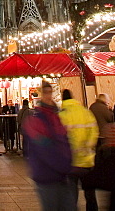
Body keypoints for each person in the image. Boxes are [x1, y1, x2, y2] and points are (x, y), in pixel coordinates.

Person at [22, 82, 75, 210]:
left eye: (50, 92)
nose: (49, 96)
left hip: (61, 174)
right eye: (45, 92)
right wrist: (64, 165)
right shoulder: (36, 120)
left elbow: (64, 141)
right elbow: (45, 149)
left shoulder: (56, 115)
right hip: (46, 175)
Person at [60, 89, 99, 211]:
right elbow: (94, 131)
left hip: (70, 162)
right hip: (87, 160)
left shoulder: (61, 115)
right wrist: (88, 146)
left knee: (71, 194)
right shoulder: (85, 112)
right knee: (90, 194)